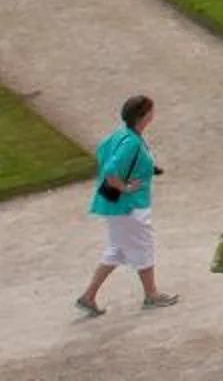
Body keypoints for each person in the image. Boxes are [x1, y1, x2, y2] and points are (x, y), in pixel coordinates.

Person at [76, 93, 173, 318]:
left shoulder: (121, 135)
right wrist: (125, 187)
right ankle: (152, 294)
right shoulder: (131, 142)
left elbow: (103, 153)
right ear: (143, 116)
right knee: (144, 247)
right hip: (130, 207)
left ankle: (88, 296)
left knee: (117, 250)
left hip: (116, 207)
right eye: (150, 111)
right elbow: (111, 169)